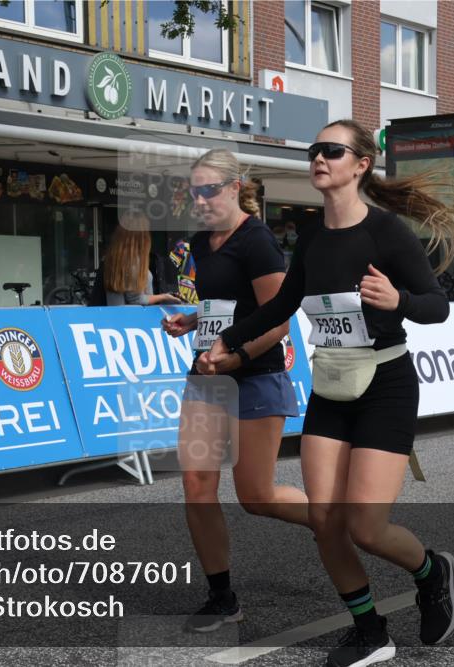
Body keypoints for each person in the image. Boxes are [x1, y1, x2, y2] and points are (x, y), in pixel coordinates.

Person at [205, 120, 454, 666]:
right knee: (325, 521)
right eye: (314, 150)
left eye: (332, 150)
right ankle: (370, 630)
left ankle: (432, 570)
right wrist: (227, 341)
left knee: (365, 527)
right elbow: (280, 306)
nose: (319, 159)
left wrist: (397, 301)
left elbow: (437, 306)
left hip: (385, 385)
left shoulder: (386, 233)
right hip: (331, 385)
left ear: (360, 164)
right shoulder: (311, 236)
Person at [160, 149, 309, 632]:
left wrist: (237, 356)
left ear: (233, 187)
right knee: (196, 485)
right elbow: (227, 306)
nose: (199, 199)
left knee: (257, 495)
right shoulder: (202, 244)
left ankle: (340, 521)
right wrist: (194, 319)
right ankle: (222, 597)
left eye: (208, 190)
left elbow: (279, 321)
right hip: (206, 378)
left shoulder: (258, 241)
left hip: (255, 377)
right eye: (192, 190)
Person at [96, 210, 183, 306]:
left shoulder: (112, 259)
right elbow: (137, 300)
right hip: (134, 318)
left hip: (115, 316)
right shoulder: (132, 262)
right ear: (142, 236)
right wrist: (164, 296)